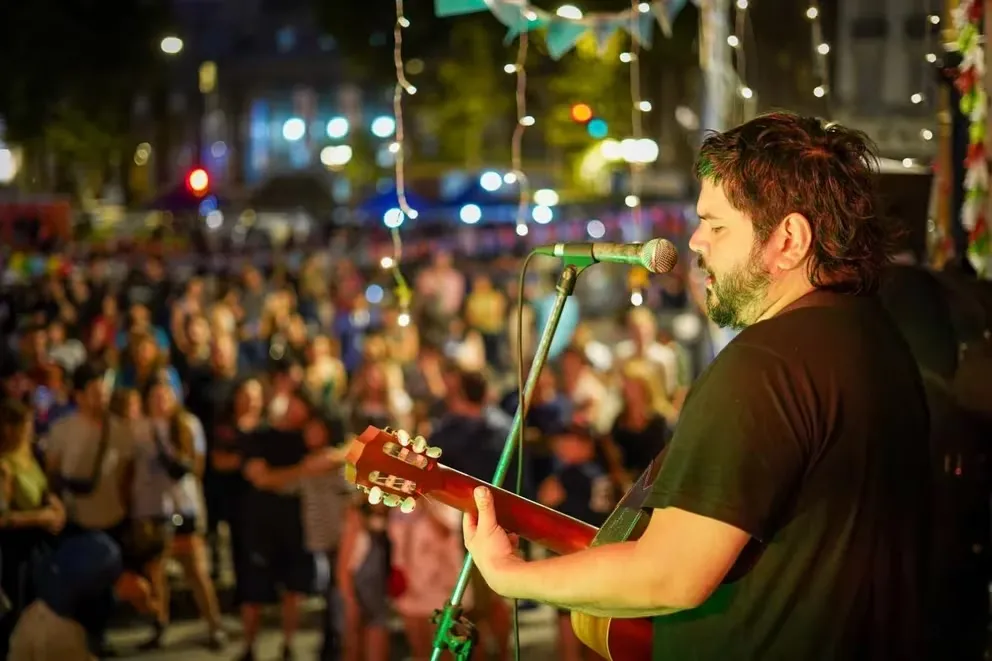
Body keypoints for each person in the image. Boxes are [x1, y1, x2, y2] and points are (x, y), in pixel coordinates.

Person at [386, 113, 933, 660]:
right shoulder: (876, 338)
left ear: (788, 239)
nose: (695, 241)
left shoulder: (766, 364)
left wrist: (509, 575)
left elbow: (672, 574)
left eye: (717, 225)